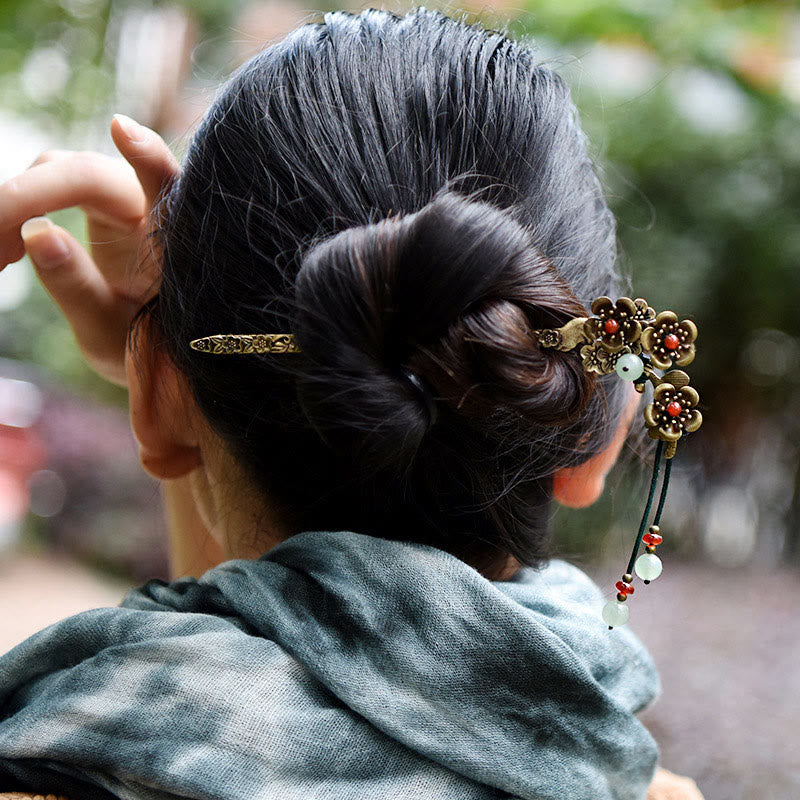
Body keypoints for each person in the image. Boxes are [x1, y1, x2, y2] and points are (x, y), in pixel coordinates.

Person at [0, 7, 704, 800]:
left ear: (162, 399)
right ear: (597, 442)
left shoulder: (47, 762)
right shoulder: (647, 788)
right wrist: (165, 367)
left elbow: (260, 619)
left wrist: (166, 372)